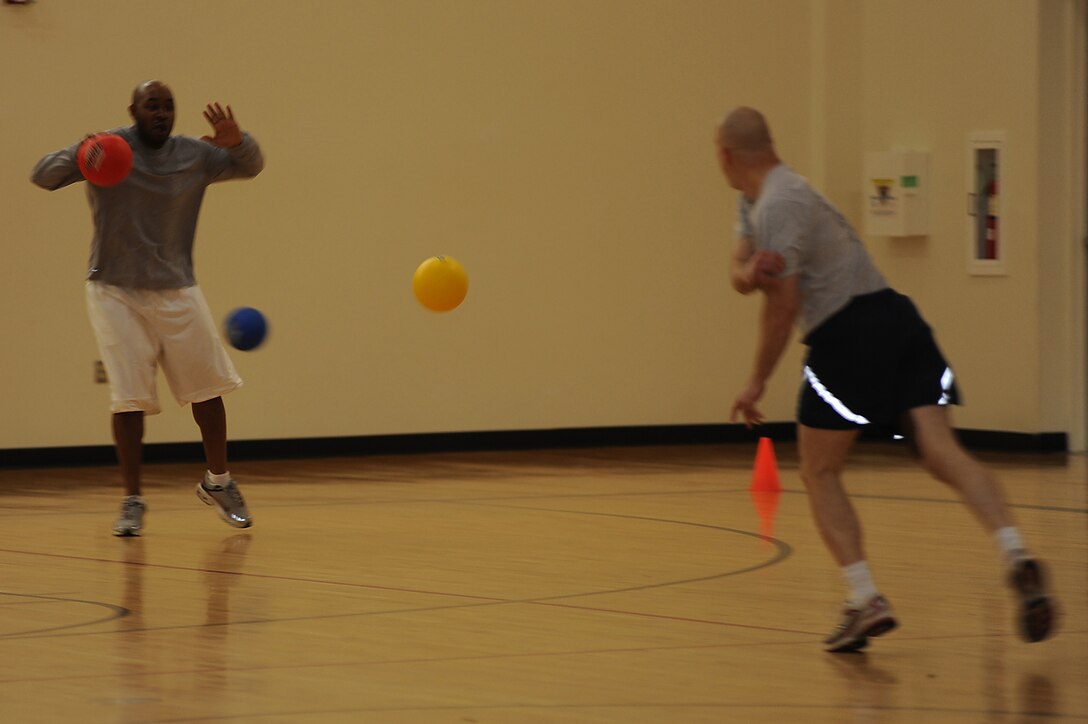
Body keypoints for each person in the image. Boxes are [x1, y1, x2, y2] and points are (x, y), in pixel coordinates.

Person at [715, 106, 1055, 652]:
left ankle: (863, 597)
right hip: (898, 318)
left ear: (725, 155)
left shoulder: (778, 207)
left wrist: (755, 381)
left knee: (819, 471)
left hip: (846, 335)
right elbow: (739, 269)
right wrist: (746, 272)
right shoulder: (760, 198)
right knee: (943, 451)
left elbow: (782, 306)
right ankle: (1016, 553)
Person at [31, 80, 264, 537]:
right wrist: (82, 151)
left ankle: (218, 482)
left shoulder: (193, 154)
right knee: (130, 398)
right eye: (152, 105)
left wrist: (239, 141)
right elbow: (42, 174)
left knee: (210, 390)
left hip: (177, 286)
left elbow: (251, 166)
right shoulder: (109, 149)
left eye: (168, 106)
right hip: (113, 289)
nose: (161, 113)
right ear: (134, 110)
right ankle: (132, 500)